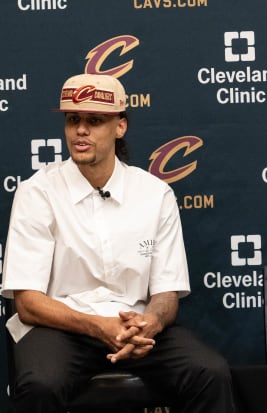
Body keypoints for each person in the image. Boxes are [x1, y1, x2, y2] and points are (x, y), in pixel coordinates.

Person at [1, 73, 236, 413]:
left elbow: (167, 296)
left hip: (134, 326)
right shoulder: (37, 192)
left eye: (94, 121)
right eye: (73, 120)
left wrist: (149, 324)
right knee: (40, 385)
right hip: (61, 327)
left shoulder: (155, 194)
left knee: (210, 372)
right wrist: (98, 327)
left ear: (120, 126)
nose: (81, 130)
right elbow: (28, 303)